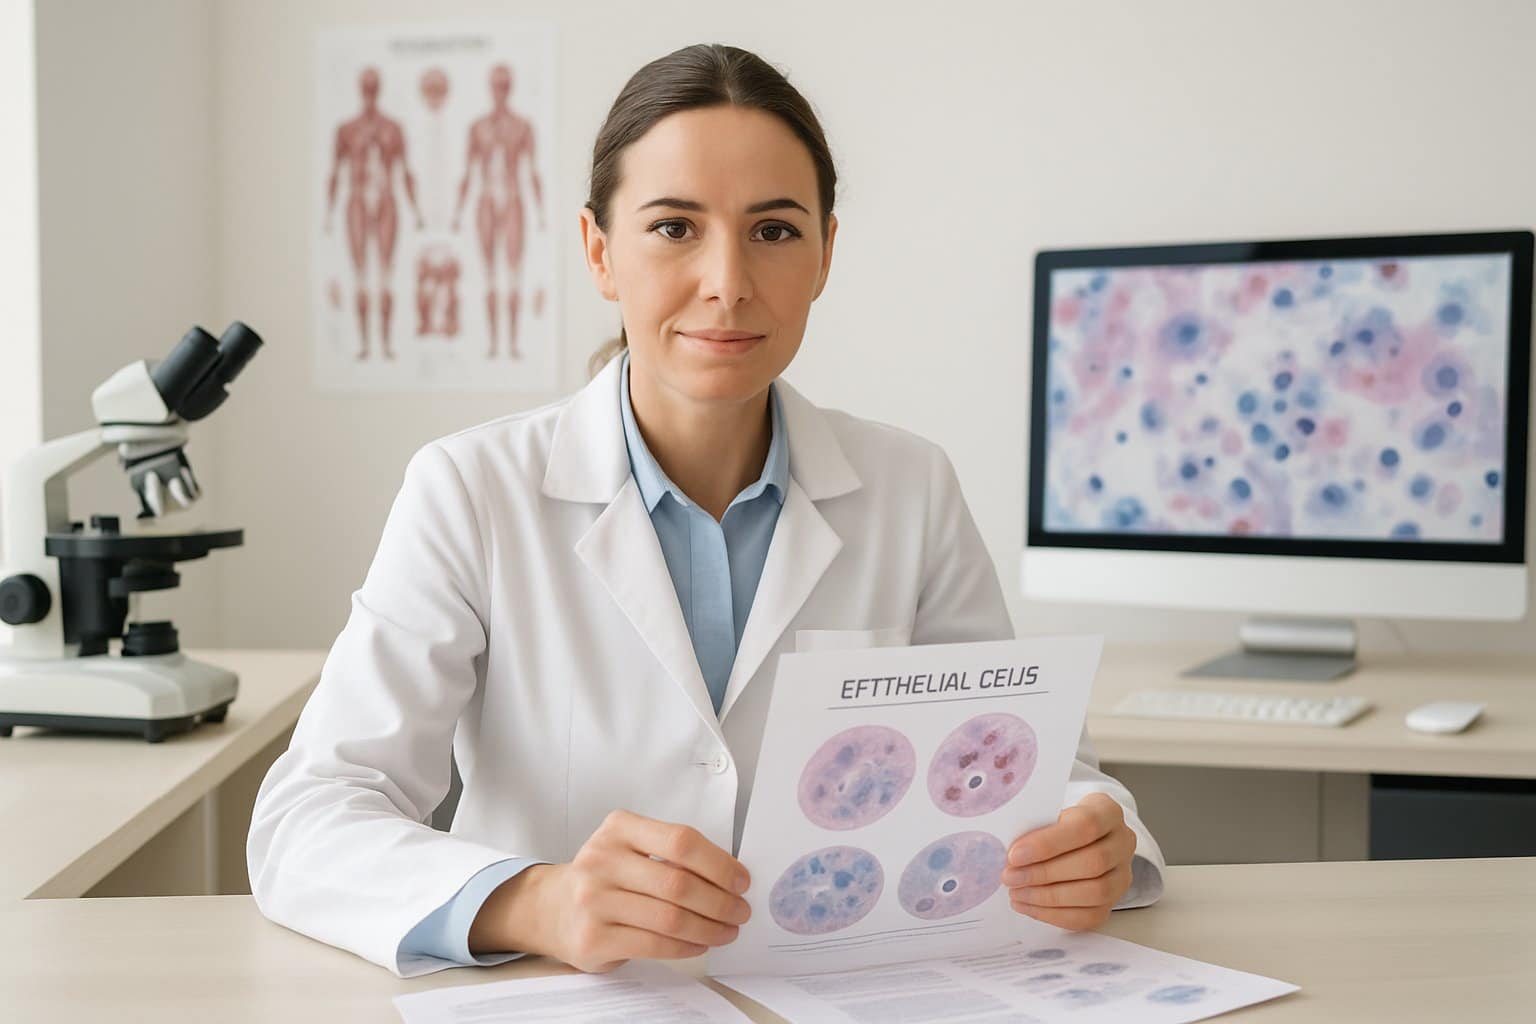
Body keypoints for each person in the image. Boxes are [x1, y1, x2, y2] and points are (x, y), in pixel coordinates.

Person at [249, 43, 1165, 980]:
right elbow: (309, 817)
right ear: (600, 252)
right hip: (570, 1000)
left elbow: (1028, 768)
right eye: (674, 228)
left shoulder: (910, 487)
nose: (727, 281)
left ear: (825, 255)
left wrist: (1098, 839)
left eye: (773, 231)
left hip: (846, 995)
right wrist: (538, 900)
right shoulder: (470, 491)